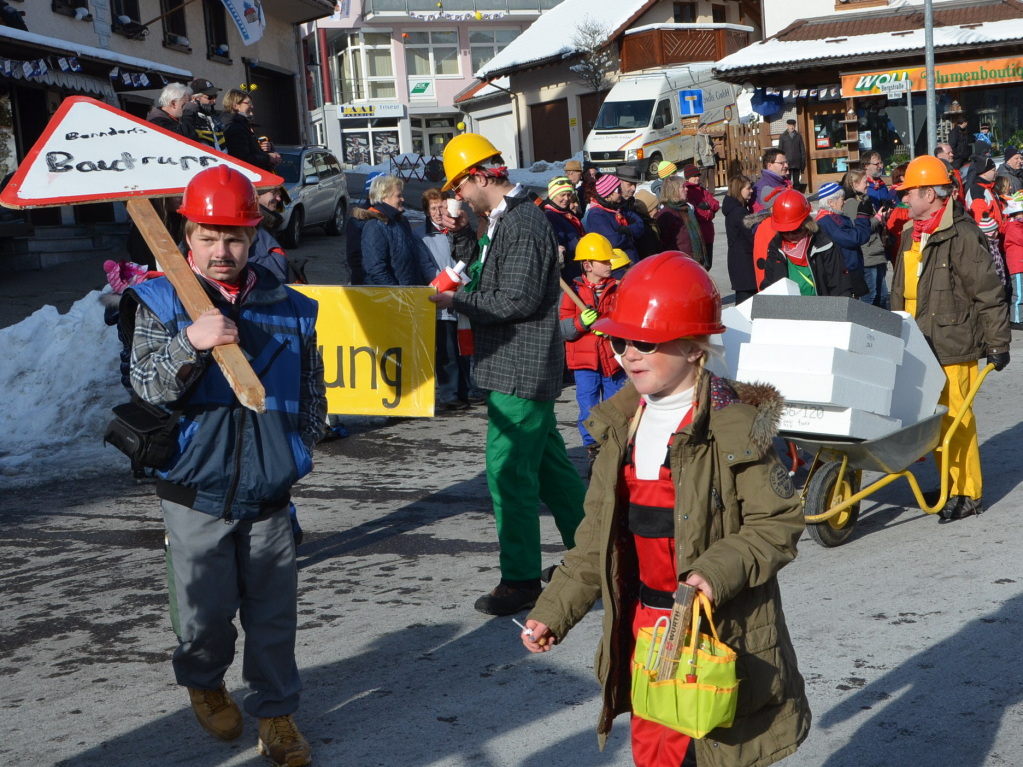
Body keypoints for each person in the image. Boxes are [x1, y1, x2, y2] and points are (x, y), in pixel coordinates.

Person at [520, 252, 811, 767]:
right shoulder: (619, 425)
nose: (629, 353)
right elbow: (595, 541)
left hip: (716, 629)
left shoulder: (736, 428)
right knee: (655, 753)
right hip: (647, 630)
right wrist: (552, 612)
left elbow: (777, 523)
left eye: (646, 342)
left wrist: (712, 573)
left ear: (695, 347)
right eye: (620, 340)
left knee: (711, 752)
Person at [119, 165, 326, 767]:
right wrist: (192, 341)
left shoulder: (292, 307)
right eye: (208, 236)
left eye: (234, 236)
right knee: (206, 617)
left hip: (269, 492)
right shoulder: (158, 299)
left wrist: (298, 452)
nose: (221, 251)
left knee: (273, 618)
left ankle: (278, 715)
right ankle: (204, 678)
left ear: (255, 234)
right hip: (195, 491)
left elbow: (312, 394)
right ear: (187, 232)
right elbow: (147, 386)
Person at [430, 133, 587, 616]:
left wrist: (455, 302)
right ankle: (596, 557)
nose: (456, 195)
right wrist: (459, 232)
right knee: (552, 472)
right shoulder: (501, 219)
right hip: (517, 365)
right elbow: (479, 269)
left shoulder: (521, 223)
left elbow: (513, 300)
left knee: (507, 474)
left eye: (458, 186)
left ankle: (520, 578)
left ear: (480, 176)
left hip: (521, 364)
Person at [890, 155, 1010, 522]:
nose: (904, 200)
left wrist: (998, 343)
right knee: (935, 421)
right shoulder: (912, 232)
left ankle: (967, 492)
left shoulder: (962, 233)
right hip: (917, 342)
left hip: (953, 343)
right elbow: (900, 289)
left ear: (929, 193)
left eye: (909, 193)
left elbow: (988, 292)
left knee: (958, 418)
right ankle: (947, 484)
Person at [559, 233, 627, 468]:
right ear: (587, 265)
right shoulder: (572, 293)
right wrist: (581, 323)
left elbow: (626, 320)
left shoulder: (618, 290)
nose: (610, 264)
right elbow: (564, 329)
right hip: (585, 364)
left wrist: (610, 326)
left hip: (612, 361)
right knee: (588, 408)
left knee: (615, 407)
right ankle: (594, 448)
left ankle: (615, 446)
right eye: (605, 261)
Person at [415, 188, 471, 411]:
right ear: (427, 211)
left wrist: (466, 285)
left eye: (442, 207)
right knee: (446, 349)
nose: (439, 212)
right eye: (434, 208)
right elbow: (426, 267)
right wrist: (448, 284)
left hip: (464, 296)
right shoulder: (420, 236)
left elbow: (468, 257)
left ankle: (469, 389)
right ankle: (450, 394)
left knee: (466, 345)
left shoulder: (456, 230)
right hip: (441, 297)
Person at [760, 189, 852, 297]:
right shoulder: (775, 248)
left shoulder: (824, 245)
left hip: (822, 310)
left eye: (796, 230)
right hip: (789, 312)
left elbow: (840, 286)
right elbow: (769, 286)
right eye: (784, 231)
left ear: (807, 224)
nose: (791, 235)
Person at [358, 175, 439, 286]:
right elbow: (376, 269)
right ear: (383, 198)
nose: (402, 199)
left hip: (410, 293)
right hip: (393, 298)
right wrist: (398, 294)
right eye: (398, 196)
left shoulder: (400, 221)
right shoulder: (374, 226)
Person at [814, 181, 871, 299]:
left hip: (849, 271)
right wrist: (862, 217)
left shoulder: (832, 218)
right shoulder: (827, 221)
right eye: (842, 199)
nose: (844, 202)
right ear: (831, 202)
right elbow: (853, 239)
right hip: (844, 275)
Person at [843, 168, 890, 308]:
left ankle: (882, 326)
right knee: (869, 296)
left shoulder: (866, 200)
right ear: (854, 184)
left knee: (881, 296)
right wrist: (877, 218)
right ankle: (866, 326)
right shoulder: (852, 204)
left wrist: (883, 217)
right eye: (865, 182)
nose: (868, 185)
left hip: (877, 253)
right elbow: (858, 231)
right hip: (867, 255)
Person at [584, 174, 645, 263]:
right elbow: (614, 241)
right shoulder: (596, 215)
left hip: (632, 259)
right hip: (617, 265)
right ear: (609, 193)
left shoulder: (620, 207)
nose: (621, 193)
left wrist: (628, 231)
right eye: (618, 190)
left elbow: (640, 225)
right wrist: (631, 237)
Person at [222, 88, 280, 171]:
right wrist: (268, 158)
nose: (252, 106)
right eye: (248, 103)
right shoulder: (234, 126)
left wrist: (268, 149)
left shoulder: (239, 123)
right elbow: (243, 158)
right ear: (236, 105)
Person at [655, 176, 705, 266]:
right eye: (683, 187)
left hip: (693, 263)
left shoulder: (686, 209)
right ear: (673, 190)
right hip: (679, 265)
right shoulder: (667, 215)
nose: (686, 189)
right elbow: (662, 245)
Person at [723, 174, 757, 304]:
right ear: (739, 190)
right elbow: (751, 237)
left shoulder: (736, 209)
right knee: (745, 302)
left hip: (739, 261)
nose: (751, 191)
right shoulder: (739, 212)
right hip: (744, 263)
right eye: (748, 188)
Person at [543, 176, 585, 281]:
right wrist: (580, 242)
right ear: (553, 195)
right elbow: (557, 244)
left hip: (576, 267)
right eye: (562, 195)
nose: (566, 199)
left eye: (569, 195)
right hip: (566, 272)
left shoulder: (565, 213)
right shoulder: (550, 216)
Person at [682, 163, 720, 268]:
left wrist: (708, 206)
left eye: (698, 175)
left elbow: (716, 204)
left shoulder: (702, 190)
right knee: (700, 266)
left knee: (708, 265)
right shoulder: (687, 192)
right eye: (694, 176)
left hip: (708, 234)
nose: (697, 178)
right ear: (688, 177)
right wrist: (709, 213)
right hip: (698, 234)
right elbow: (696, 212)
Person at [182, 78, 225, 151]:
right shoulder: (190, 118)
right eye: (210, 97)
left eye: (215, 96)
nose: (214, 101)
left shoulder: (215, 116)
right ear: (195, 98)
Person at [965, 156, 1003, 231]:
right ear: (984, 172)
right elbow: (982, 220)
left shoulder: (989, 188)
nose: (996, 172)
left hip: (996, 234)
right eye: (993, 170)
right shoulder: (978, 191)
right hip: (990, 236)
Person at [1003, 199, 1023, 329]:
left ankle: (1019, 317)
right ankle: (1016, 320)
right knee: (1019, 294)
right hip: (1017, 264)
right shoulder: (1013, 227)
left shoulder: (1017, 226)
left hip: (1020, 263)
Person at [752, 148, 790, 213]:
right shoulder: (762, 188)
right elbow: (763, 214)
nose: (786, 165)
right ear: (770, 165)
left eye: (786, 162)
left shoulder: (783, 182)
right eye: (782, 163)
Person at [777, 118, 806, 191]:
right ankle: (788, 196)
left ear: (795, 126)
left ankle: (797, 197)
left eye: (793, 125)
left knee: (797, 182)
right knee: (787, 182)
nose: (792, 127)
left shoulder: (798, 136)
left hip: (797, 162)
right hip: (787, 162)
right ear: (787, 126)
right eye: (790, 125)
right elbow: (780, 149)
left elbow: (802, 149)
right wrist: (781, 162)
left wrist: (803, 161)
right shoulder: (783, 136)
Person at [695, 124, 718, 190]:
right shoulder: (697, 137)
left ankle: (711, 192)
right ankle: (702, 192)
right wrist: (698, 159)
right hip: (703, 160)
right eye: (704, 128)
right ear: (700, 129)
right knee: (702, 178)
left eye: (706, 128)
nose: (706, 129)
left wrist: (712, 144)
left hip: (710, 159)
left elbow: (711, 146)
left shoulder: (708, 136)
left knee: (711, 177)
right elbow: (695, 149)